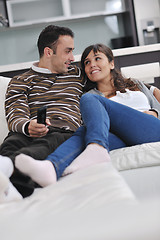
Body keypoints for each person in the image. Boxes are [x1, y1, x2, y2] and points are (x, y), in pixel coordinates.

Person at [14, 43, 160, 188]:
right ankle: (51, 167)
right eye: (87, 62)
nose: (92, 65)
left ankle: (96, 148)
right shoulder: (90, 97)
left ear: (111, 63)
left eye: (97, 59)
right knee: (84, 131)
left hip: (151, 129)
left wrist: (155, 112)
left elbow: (155, 98)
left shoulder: (135, 84)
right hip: (120, 136)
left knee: (89, 101)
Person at [0, 24, 84, 200]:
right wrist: (27, 125)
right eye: (67, 51)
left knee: (41, 148)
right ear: (48, 52)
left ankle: (13, 182)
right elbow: (15, 113)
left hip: (63, 131)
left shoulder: (77, 75)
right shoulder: (20, 81)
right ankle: (8, 184)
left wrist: (152, 92)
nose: (72, 57)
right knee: (11, 143)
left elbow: (113, 82)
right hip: (27, 131)